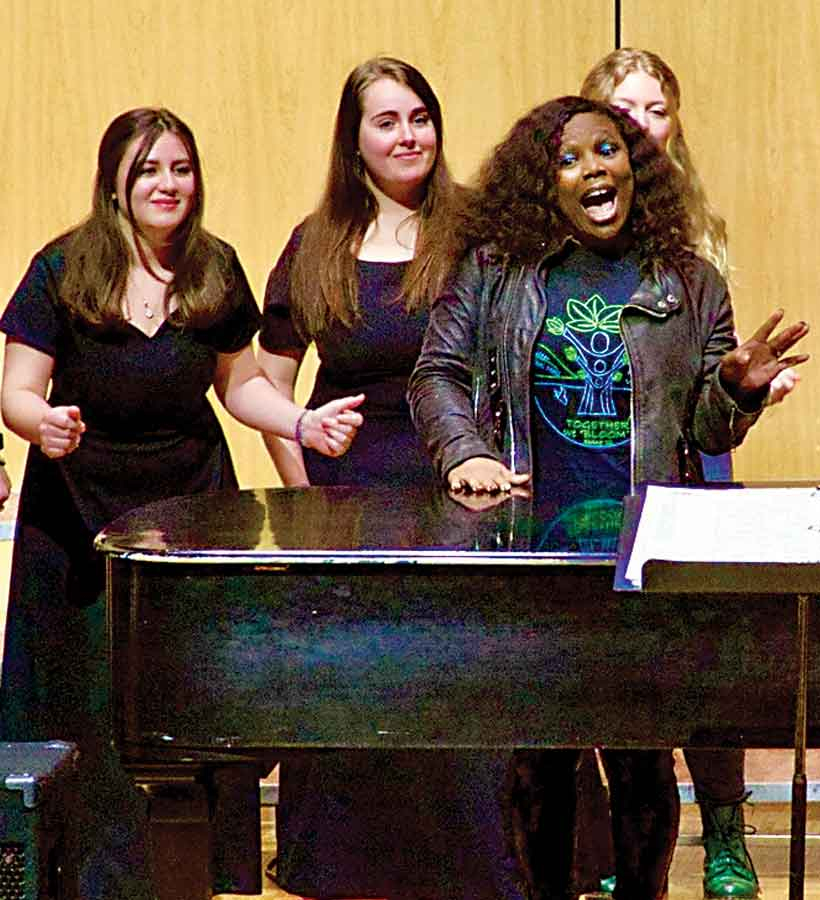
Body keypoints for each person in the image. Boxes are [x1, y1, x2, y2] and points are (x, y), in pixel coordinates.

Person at [409, 95, 808, 900]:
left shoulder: (691, 284)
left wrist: (734, 388)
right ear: (540, 183)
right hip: (531, 554)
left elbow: (707, 430)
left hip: (640, 553)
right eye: (569, 159)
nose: (594, 169)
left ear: (635, 166)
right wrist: (466, 452)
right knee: (542, 762)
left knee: (640, 758)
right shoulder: (493, 272)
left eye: (608, 151)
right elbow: (437, 375)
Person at [0, 107, 362, 900]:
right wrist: (45, 424)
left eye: (181, 169)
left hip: (186, 510)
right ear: (116, 186)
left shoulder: (214, 268)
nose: (168, 185)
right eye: (149, 171)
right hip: (77, 513)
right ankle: (82, 876)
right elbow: (17, 391)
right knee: (84, 695)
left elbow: (240, 386)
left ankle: (192, 872)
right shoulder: (60, 269)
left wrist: (301, 420)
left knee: (185, 697)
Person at [257, 57, 523, 899]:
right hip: (351, 506)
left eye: (419, 117)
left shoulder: (480, 231)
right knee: (351, 685)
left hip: (462, 494)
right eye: (386, 121)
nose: (407, 136)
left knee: (459, 691)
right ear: (355, 140)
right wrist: (302, 455)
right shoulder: (317, 243)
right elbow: (262, 380)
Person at [580, 47, 768, 899]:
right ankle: (629, 841)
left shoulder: (699, 228)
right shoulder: (566, 224)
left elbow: (712, 363)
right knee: (619, 667)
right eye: (623, 106)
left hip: (695, 456)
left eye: (656, 107)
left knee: (707, 660)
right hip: (603, 462)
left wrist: (741, 386)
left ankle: (726, 829)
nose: (640, 122)